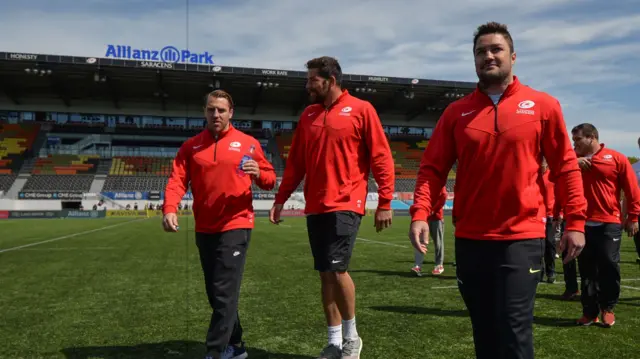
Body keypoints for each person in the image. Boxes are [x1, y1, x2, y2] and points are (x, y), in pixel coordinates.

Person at [409, 22, 587, 359]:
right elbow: (432, 170)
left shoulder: (542, 106)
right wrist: (419, 213)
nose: (488, 56)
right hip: (471, 238)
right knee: (484, 329)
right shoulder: (456, 113)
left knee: (513, 329)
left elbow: (566, 168)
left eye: (496, 49)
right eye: (480, 51)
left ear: (513, 56)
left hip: (521, 238)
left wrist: (576, 222)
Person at [269, 56, 395, 359]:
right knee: (325, 273)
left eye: (312, 79)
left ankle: (353, 338)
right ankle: (333, 342)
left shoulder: (362, 110)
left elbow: (381, 156)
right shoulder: (309, 115)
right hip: (315, 205)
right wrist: (280, 198)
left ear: (331, 80)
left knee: (338, 270)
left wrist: (386, 201)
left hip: (346, 203)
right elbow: (296, 162)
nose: (307, 85)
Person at [163, 89, 276, 359]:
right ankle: (235, 346)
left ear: (231, 113)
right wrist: (170, 207)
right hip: (204, 227)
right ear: (205, 111)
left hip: (236, 224)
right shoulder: (191, 147)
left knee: (224, 290)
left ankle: (215, 352)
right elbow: (177, 180)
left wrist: (259, 173)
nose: (216, 114)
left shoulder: (248, 143)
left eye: (221, 110)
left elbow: (270, 179)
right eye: (211, 109)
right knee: (216, 292)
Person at [571, 123, 640, 327]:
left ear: (592, 137)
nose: (574, 144)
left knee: (609, 265)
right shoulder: (571, 159)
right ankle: (589, 311)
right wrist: (573, 164)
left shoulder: (616, 158)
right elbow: (555, 177)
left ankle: (608, 308)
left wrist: (634, 217)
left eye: (578, 139)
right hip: (581, 223)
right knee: (586, 269)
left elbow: (631, 189)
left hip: (609, 222)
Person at [411, 186, 447, 276]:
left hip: (436, 217)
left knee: (438, 243)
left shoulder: (438, 182)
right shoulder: (421, 184)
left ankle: (439, 265)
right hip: (423, 217)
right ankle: (417, 265)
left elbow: (443, 197)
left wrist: (433, 210)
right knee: (420, 241)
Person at [539, 158, 557, 283]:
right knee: (537, 245)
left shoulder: (552, 175)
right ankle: (539, 272)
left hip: (550, 215)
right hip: (536, 216)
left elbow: (560, 194)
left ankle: (551, 272)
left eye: (544, 162)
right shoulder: (533, 175)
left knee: (549, 244)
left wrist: (560, 212)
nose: (542, 164)